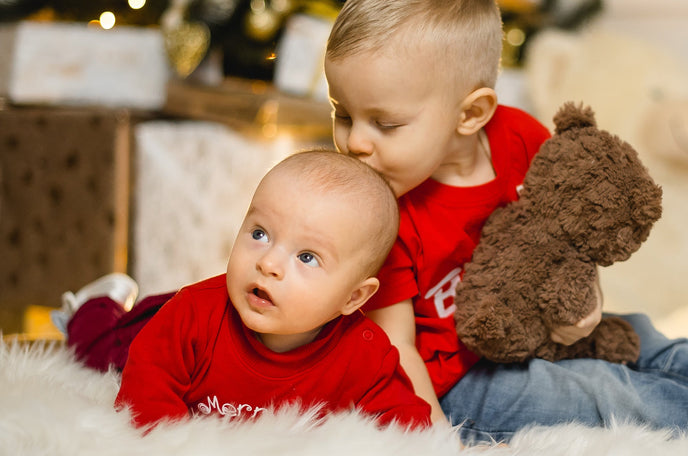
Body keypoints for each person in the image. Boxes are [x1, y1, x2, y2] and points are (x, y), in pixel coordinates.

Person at [323, 0, 688, 444]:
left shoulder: (520, 137)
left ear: (471, 114)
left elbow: (571, 234)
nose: (355, 141)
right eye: (342, 114)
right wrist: (437, 439)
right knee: (602, 393)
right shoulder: (377, 214)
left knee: (647, 337)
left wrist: (587, 302)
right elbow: (396, 350)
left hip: (536, 328)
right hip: (457, 382)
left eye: (385, 123)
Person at [60, 150, 431, 430]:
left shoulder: (364, 354)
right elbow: (147, 393)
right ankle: (97, 303)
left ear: (353, 297)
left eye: (306, 257)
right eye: (260, 234)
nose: (268, 262)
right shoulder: (192, 316)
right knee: (97, 351)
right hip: (151, 327)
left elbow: (406, 424)